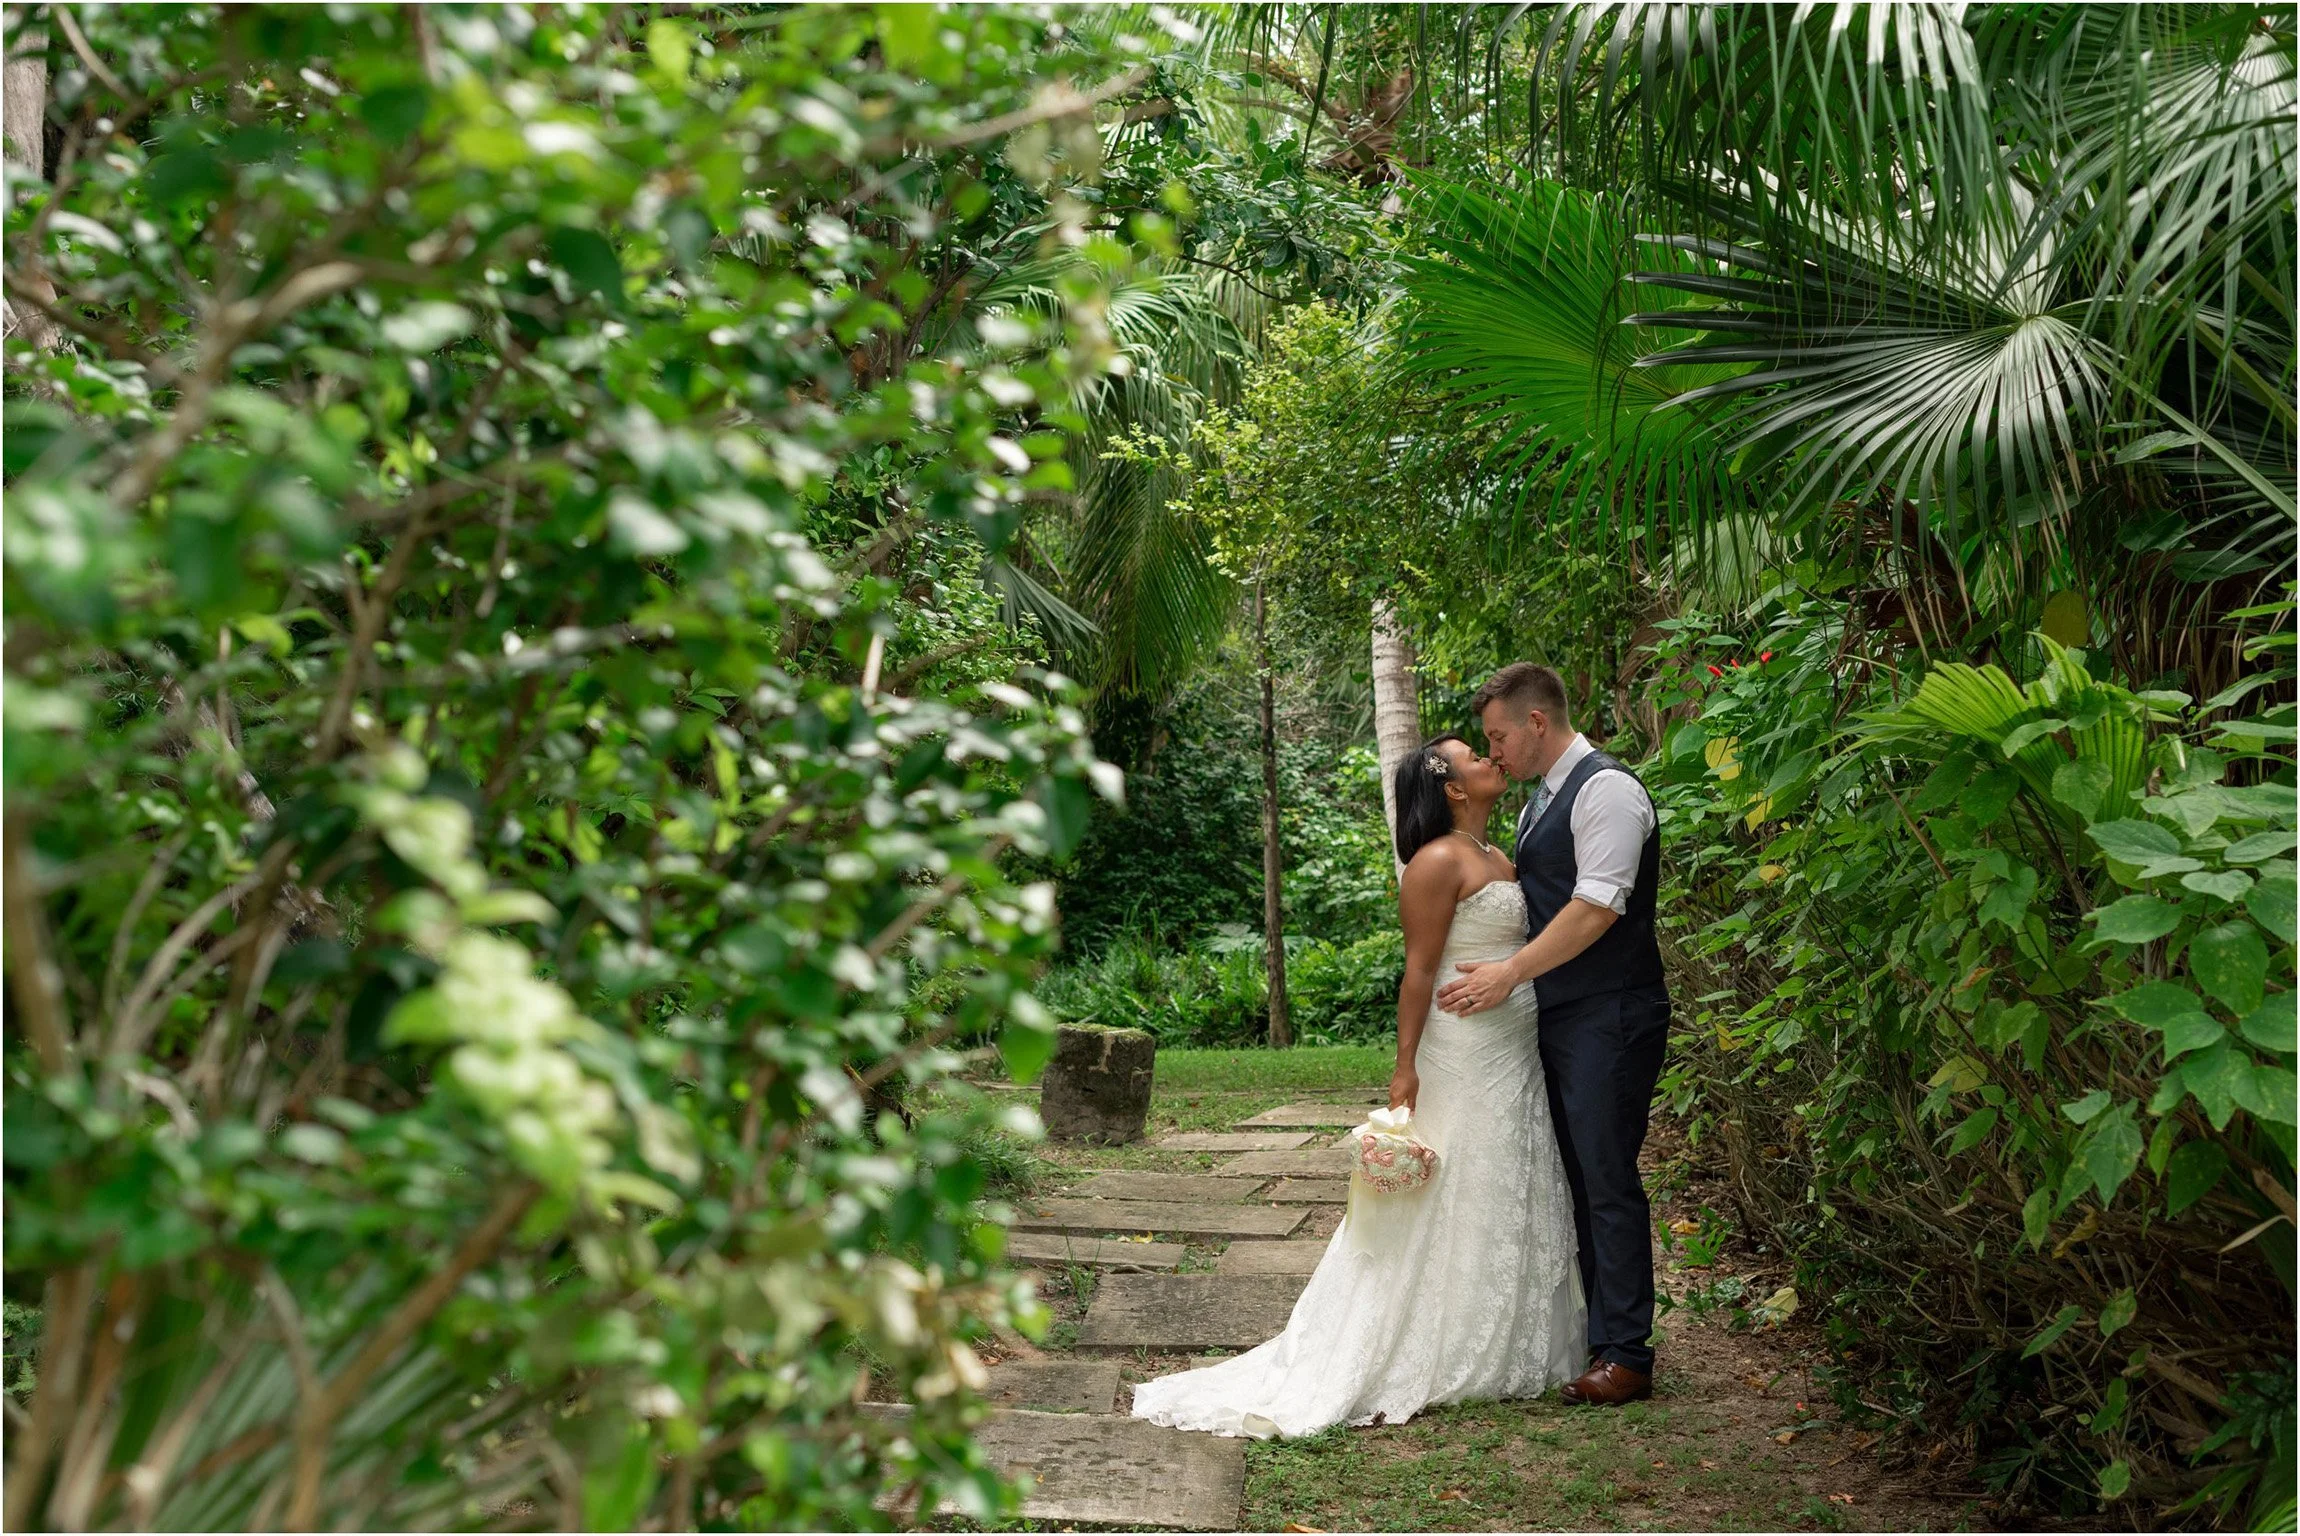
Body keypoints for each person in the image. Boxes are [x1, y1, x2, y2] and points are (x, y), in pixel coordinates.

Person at [1130, 734, 1583, 1439]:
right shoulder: (1434, 862)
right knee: (1456, 1174)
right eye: (1475, 755)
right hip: (1461, 1047)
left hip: (1513, 1045)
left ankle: (1506, 1331)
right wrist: (1405, 1065)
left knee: (1505, 1172)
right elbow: (1419, 971)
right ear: (1453, 787)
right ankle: (1418, 1341)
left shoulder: (1498, 854)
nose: (1492, 759)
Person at [1436, 663, 1671, 1407]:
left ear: (1537, 722)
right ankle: (1601, 1336)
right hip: (1563, 1016)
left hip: (1612, 1011)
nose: (1494, 751)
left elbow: (1597, 907)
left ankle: (1628, 1354)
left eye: (1498, 736)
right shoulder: (1539, 801)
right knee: (1576, 1178)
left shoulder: (1608, 791)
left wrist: (1510, 973)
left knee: (1606, 1177)